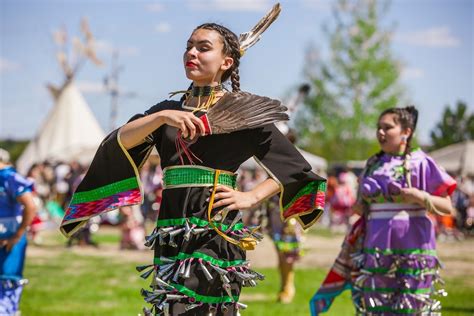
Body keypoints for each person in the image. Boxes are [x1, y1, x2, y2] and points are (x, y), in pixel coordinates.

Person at [60, 4, 327, 316]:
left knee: (198, 309)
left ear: (227, 61)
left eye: (203, 47)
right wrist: (160, 117)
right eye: (188, 45)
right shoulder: (166, 112)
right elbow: (117, 142)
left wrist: (251, 196)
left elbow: (298, 170)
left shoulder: (243, 114)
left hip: (216, 226)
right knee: (171, 308)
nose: (192, 53)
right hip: (171, 228)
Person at [310, 106, 457, 315]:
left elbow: (447, 206)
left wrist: (419, 196)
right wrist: (360, 207)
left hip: (413, 248)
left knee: (412, 306)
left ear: (406, 132)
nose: (381, 132)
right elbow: (361, 207)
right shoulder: (373, 164)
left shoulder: (421, 162)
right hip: (377, 247)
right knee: (376, 305)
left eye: (387, 127)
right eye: (378, 127)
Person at [0, 148, 37, 314]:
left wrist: (17, 234)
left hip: (8, 239)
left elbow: (30, 205)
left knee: (6, 284)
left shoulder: (10, 177)